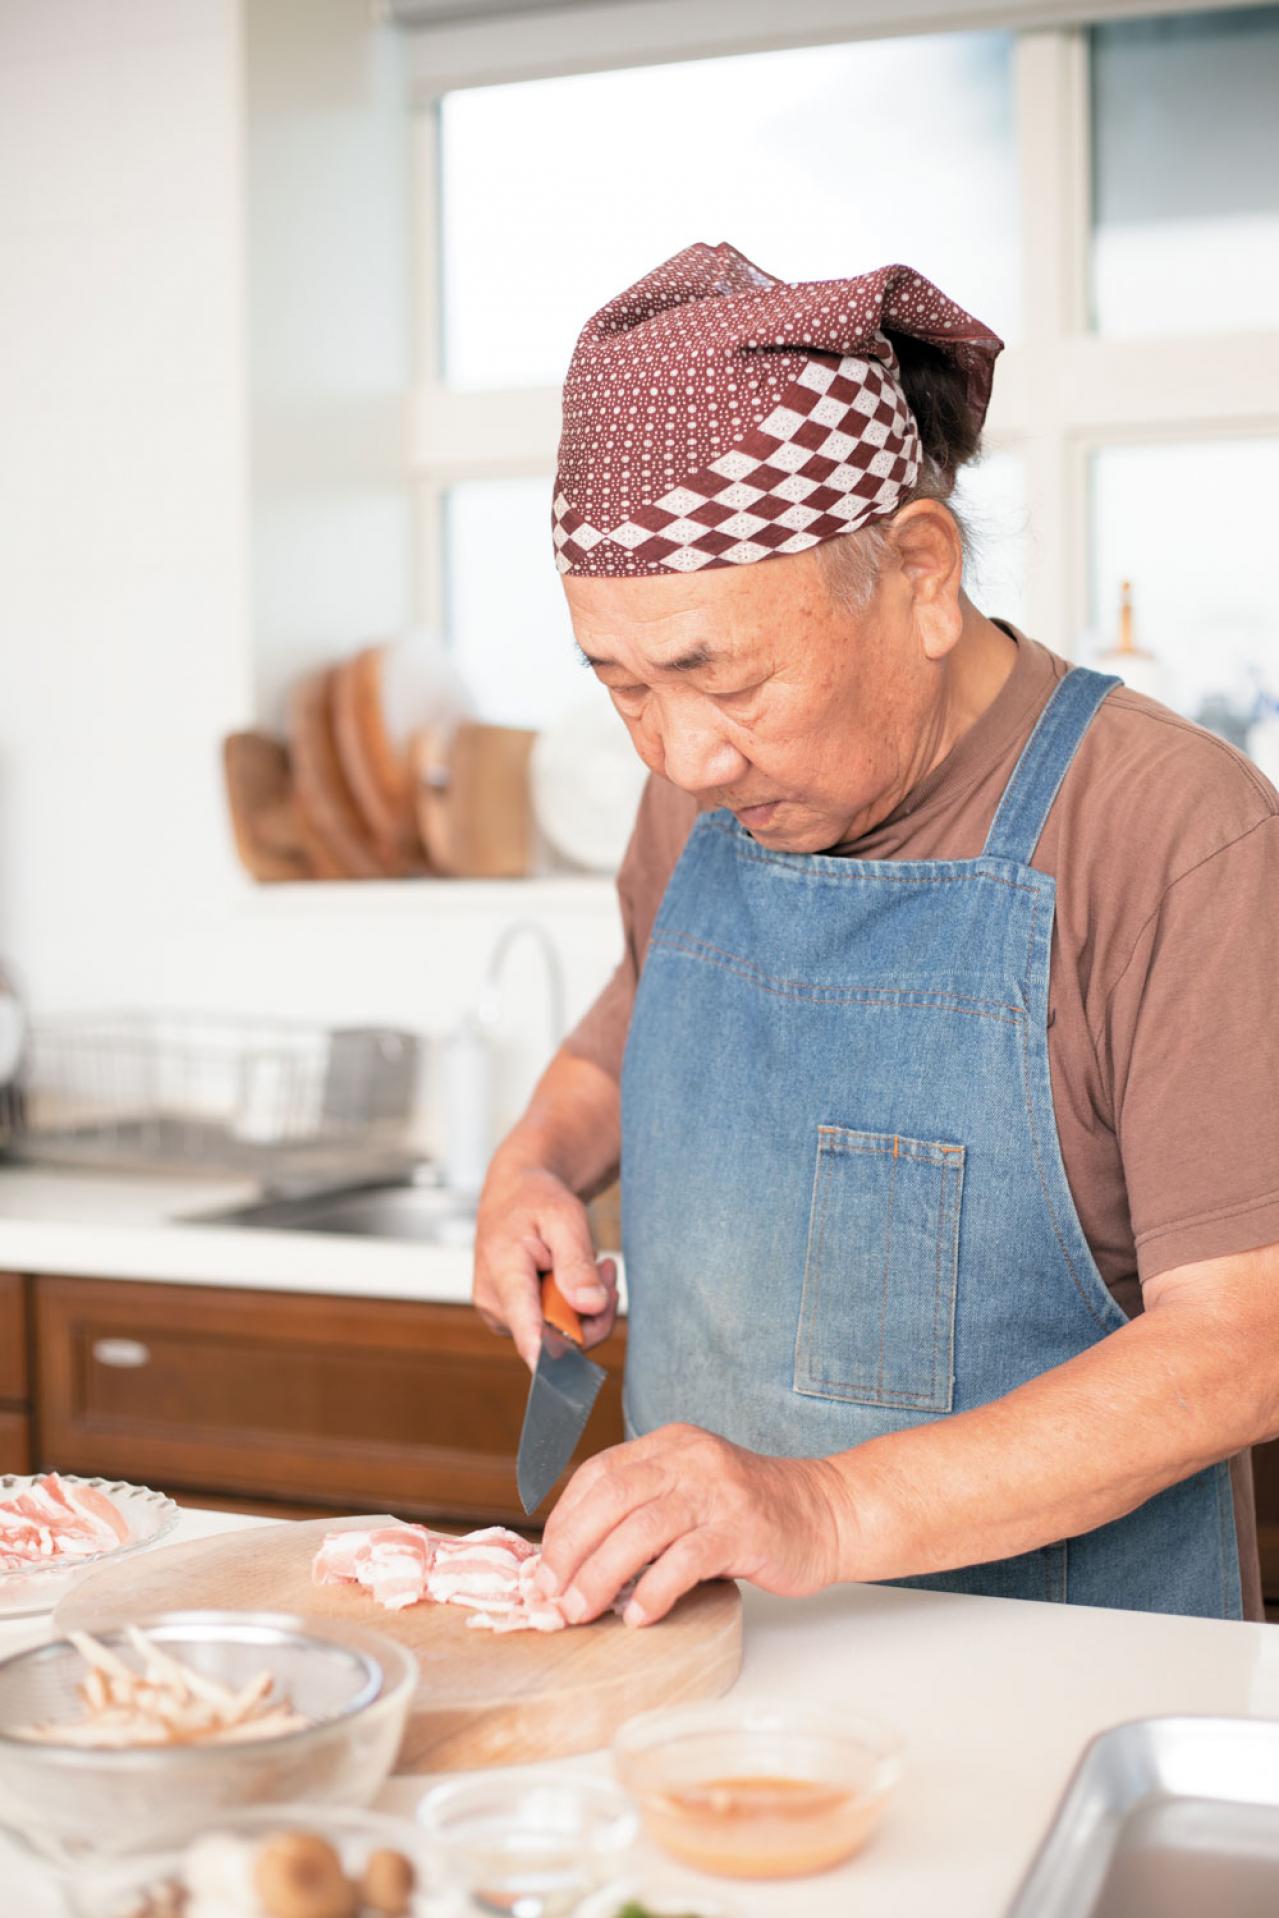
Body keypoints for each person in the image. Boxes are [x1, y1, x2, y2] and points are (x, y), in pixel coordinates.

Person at [473, 242, 1279, 1627]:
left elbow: (1246, 1340)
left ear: (918, 572)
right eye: (624, 687)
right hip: (719, 1670)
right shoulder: (703, 799)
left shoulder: (1172, 835)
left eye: (725, 679)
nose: (683, 756)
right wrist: (533, 1159)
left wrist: (822, 1508)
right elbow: (632, 1017)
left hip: (1060, 1680)